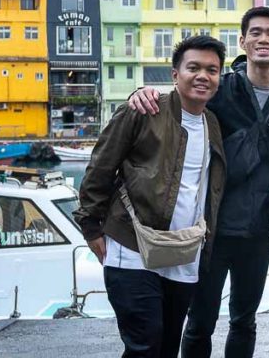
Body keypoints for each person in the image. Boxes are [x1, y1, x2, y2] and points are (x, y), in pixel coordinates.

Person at [128, 7, 269, 358]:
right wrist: (140, 93)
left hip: (257, 228)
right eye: (255, 32)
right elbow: (181, 97)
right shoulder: (222, 89)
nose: (263, 39)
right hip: (212, 226)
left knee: (244, 319)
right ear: (243, 41)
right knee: (201, 319)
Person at [73, 35, 228, 358]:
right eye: (194, 67)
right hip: (133, 247)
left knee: (168, 347)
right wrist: (91, 227)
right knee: (144, 343)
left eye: (212, 70)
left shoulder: (212, 123)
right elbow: (101, 166)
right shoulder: (144, 110)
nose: (203, 76)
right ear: (175, 74)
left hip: (183, 252)